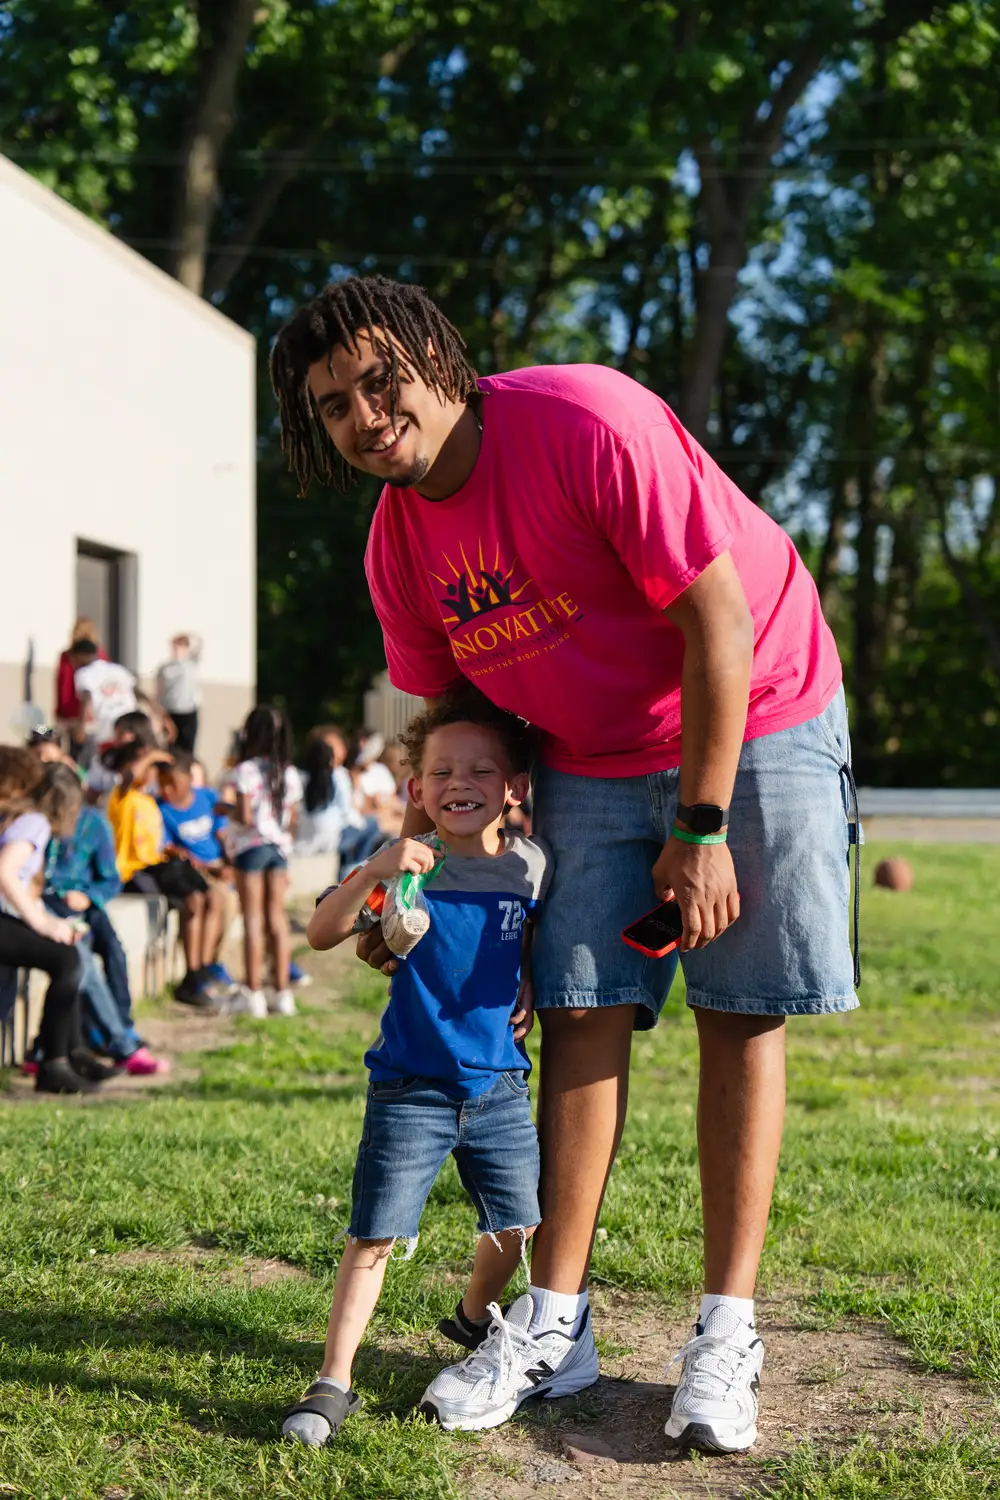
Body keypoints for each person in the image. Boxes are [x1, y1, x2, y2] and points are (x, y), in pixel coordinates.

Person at [271, 276, 857, 1452]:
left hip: (758, 706)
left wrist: (697, 830)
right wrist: (448, 875)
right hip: (588, 755)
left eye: (379, 378)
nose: (365, 412)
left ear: (439, 356)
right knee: (584, 1006)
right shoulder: (398, 549)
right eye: (333, 404)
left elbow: (718, 622)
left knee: (739, 1012)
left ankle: (725, 1333)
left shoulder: (587, 422)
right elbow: (460, 719)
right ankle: (551, 1318)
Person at [282, 692, 552, 1448]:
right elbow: (323, 930)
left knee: (518, 1222)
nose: (458, 782)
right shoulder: (410, 870)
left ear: (514, 788)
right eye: (440, 771)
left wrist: (527, 974)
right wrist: (378, 862)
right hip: (410, 1089)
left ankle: (472, 1318)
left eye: (479, 770)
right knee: (374, 1232)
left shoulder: (532, 866)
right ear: (416, 790)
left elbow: (524, 939)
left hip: (499, 1083)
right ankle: (333, 1380)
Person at [44, 782, 170, 1075]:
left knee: (114, 951)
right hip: (48, 906)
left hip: (86, 902)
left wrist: (88, 897)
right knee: (80, 957)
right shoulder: (34, 823)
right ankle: (115, 1043)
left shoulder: (92, 823)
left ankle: (122, 1030)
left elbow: (110, 878)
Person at [0, 760, 109, 1093]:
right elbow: (5, 872)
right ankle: (55, 1065)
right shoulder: (34, 823)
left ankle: (68, 1052)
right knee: (67, 961)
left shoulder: (19, 818)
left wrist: (54, 922)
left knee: (67, 954)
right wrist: (43, 924)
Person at [106, 742, 217, 1008]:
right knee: (193, 900)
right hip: (135, 870)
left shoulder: (148, 801)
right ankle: (192, 978)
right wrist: (152, 755)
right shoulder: (122, 797)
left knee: (206, 897)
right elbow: (130, 777)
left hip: (159, 864)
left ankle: (198, 970)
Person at [229, 705, 303, 1019]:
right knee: (277, 919)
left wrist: (224, 809)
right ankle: (283, 992)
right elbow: (293, 820)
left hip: (251, 847)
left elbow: (245, 817)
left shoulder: (245, 770)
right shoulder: (287, 771)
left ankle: (254, 992)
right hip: (279, 849)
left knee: (252, 920)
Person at [157, 752, 235, 992]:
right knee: (217, 899)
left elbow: (222, 833)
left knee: (229, 903)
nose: (167, 789)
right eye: (163, 784)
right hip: (195, 870)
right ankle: (200, 967)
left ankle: (209, 962)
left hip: (218, 867)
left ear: (188, 780)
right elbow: (169, 849)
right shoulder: (161, 809)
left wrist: (229, 863)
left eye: (174, 783)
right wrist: (203, 864)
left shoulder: (208, 797)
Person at [54, 618, 107, 762]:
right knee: (80, 753)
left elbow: (61, 685)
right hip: (81, 711)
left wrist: (60, 711)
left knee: (80, 752)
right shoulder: (97, 655)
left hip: (76, 710)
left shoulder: (69, 656)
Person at [73, 642, 138, 754]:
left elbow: (86, 697)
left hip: (108, 725)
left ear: (81, 656)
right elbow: (136, 691)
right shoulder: (119, 669)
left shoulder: (83, 673)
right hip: (132, 722)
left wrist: (81, 727)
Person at [156, 634, 203, 753]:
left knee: (187, 746)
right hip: (171, 712)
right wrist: (162, 715)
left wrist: (186, 636)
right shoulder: (165, 668)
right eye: (174, 647)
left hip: (188, 711)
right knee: (172, 747)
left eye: (180, 647)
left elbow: (200, 642)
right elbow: (159, 692)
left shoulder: (191, 664)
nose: (176, 651)